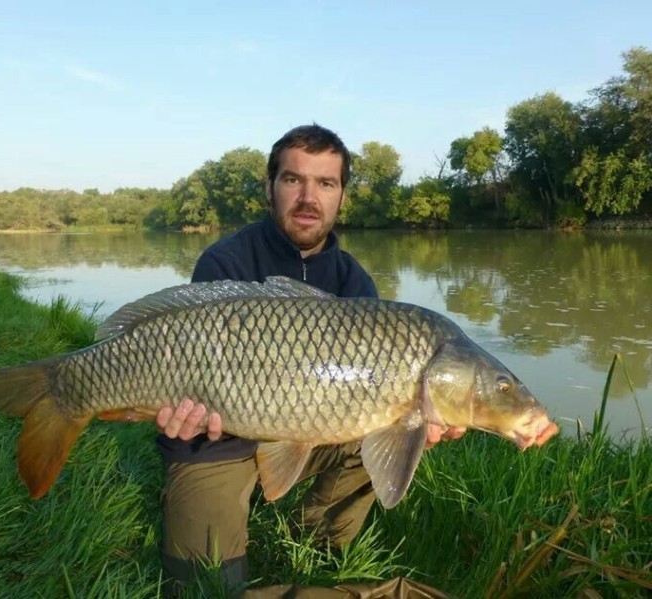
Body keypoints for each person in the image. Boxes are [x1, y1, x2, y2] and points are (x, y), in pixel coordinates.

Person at [155, 124, 464, 597]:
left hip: (309, 432)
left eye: (326, 183)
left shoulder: (353, 280)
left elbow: (387, 405)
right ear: (269, 187)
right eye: (293, 180)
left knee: (399, 428)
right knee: (207, 587)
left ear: (342, 196)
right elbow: (186, 363)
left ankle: (315, 541)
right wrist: (183, 415)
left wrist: (423, 418)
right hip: (216, 439)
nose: (308, 197)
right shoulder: (225, 263)